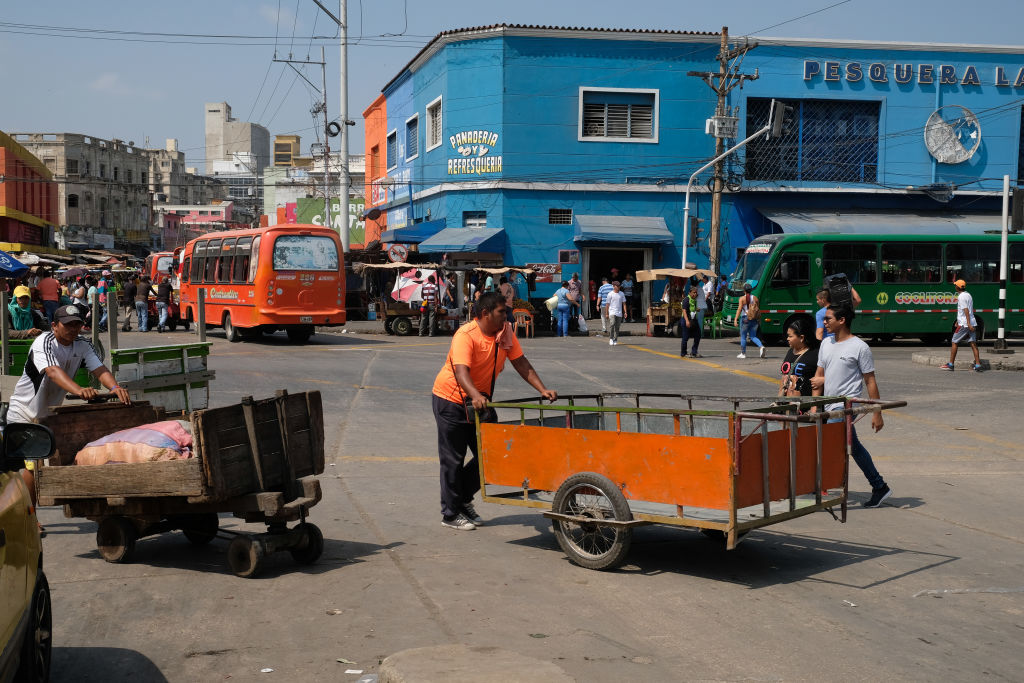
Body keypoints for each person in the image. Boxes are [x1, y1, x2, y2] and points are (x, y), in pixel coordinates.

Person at [431, 292, 557, 530]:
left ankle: (462, 499)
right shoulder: (465, 335)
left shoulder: (505, 332)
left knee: (490, 455)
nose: (507, 316)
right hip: (451, 401)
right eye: (502, 312)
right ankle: (450, 514)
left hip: (481, 403)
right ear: (486, 313)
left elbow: (520, 361)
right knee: (452, 460)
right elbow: (461, 372)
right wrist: (475, 395)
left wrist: (542, 389)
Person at [8, 305, 133, 505]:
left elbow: (99, 369)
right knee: (32, 466)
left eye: (77, 324)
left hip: (47, 415)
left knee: (46, 463)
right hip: (24, 413)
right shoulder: (44, 342)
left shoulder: (83, 344)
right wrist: (78, 390)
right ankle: (30, 519)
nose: (73, 329)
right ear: (54, 326)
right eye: (68, 324)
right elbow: (52, 371)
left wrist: (115, 388)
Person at [811, 303, 892, 508]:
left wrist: (877, 412)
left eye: (828, 318)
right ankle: (879, 486)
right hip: (827, 406)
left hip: (846, 405)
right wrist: (814, 406)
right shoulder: (826, 344)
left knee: (832, 446)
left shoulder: (859, 347)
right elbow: (818, 376)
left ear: (842, 320)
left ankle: (821, 488)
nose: (824, 322)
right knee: (853, 448)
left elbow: (870, 381)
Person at [941, 279, 983, 372]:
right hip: (971, 322)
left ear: (957, 287)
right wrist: (958, 321)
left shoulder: (961, 297)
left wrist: (967, 323)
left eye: (955, 285)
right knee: (973, 344)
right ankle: (978, 364)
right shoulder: (968, 295)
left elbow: (966, 310)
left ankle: (951, 364)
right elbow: (964, 311)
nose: (954, 287)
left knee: (954, 342)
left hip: (965, 324)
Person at [778, 318, 819, 397]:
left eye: (790, 336)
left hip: (804, 405)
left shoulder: (815, 353)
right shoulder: (790, 351)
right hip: (786, 403)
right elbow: (784, 377)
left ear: (801, 338)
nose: (787, 339)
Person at [734, 283, 765, 359]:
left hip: (745, 318)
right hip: (754, 319)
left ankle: (743, 353)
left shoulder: (742, 298)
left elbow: (739, 309)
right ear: (751, 290)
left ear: (744, 290)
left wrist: (735, 319)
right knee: (753, 336)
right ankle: (761, 347)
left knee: (743, 337)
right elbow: (757, 309)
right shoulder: (755, 298)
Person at [679, 285, 702, 358]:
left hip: (693, 320)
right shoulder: (686, 300)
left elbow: (692, 309)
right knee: (685, 337)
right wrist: (687, 321)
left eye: (696, 293)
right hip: (686, 320)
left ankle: (694, 352)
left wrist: (697, 309)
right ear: (690, 292)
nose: (695, 294)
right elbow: (684, 311)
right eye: (694, 292)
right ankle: (683, 353)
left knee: (698, 335)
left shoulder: (694, 300)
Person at [605, 280, 626, 346]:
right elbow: (607, 305)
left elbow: (624, 304)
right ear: (613, 286)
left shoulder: (622, 294)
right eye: (617, 286)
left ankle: (615, 339)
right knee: (612, 324)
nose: (618, 287)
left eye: (619, 286)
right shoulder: (610, 294)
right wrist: (607, 313)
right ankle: (611, 338)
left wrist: (625, 312)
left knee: (617, 327)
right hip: (612, 312)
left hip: (619, 313)